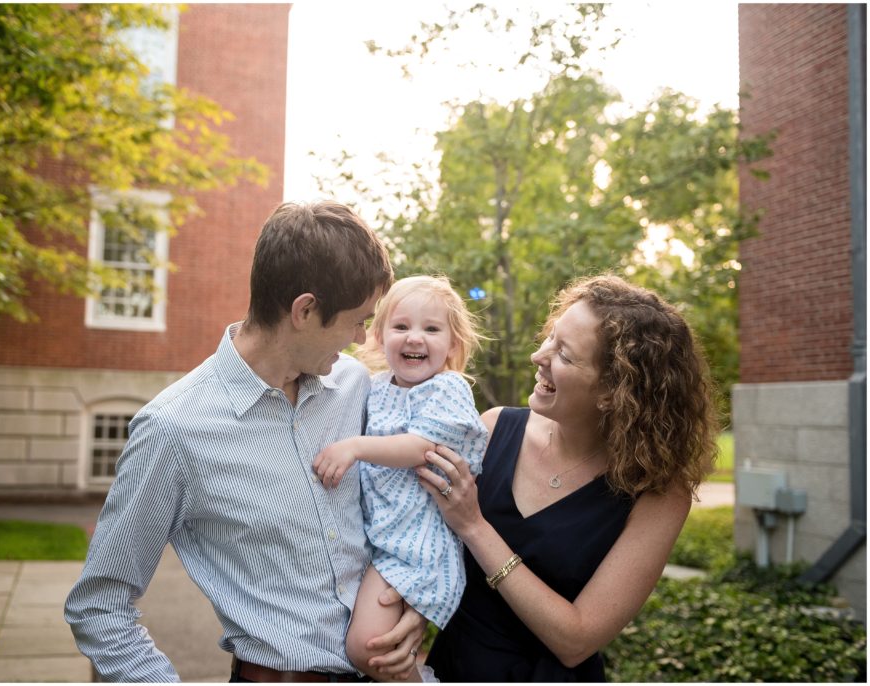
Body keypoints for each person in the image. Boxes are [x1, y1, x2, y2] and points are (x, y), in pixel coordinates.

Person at [64, 201, 426, 683]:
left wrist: (412, 609)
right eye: (357, 320)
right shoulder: (173, 430)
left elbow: (394, 512)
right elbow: (99, 606)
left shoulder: (354, 385)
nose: (362, 338)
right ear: (305, 310)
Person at [413, 274, 717, 681]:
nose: (539, 356)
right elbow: (417, 548)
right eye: (550, 338)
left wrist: (473, 526)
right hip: (450, 669)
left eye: (565, 355)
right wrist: (404, 630)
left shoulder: (658, 492)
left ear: (614, 390)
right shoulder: (491, 428)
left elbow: (576, 641)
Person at [312, 275, 489, 680]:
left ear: (453, 344)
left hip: (419, 546)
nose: (414, 338)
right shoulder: (374, 387)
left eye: (431, 329)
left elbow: (420, 448)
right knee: (373, 649)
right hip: (382, 540)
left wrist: (353, 447)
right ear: (377, 335)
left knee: (367, 649)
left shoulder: (448, 389)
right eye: (401, 326)